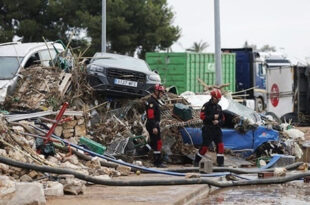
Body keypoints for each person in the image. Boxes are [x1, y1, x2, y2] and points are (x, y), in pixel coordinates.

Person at [194, 89, 225, 167]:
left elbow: (223, 119)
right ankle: (196, 161)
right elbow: (202, 117)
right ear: (213, 97)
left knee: (220, 146)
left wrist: (218, 122)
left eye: (219, 99)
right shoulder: (206, 106)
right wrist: (212, 117)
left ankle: (220, 163)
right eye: (217, 99)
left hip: (217, 129)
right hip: (208, 129)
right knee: (204, 147)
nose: (218, 101)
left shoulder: (219, 107)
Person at [145, 84, 166, 167]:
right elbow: (150, 115)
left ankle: (144, 150)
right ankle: (157, 162)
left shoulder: (154, 101)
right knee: (158, 142)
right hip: (152, 124)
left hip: (154, 124)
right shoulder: (151, 102)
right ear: (156, 92)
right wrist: (154, 127)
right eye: (161, 93)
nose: (161, 94)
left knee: (154, 143)